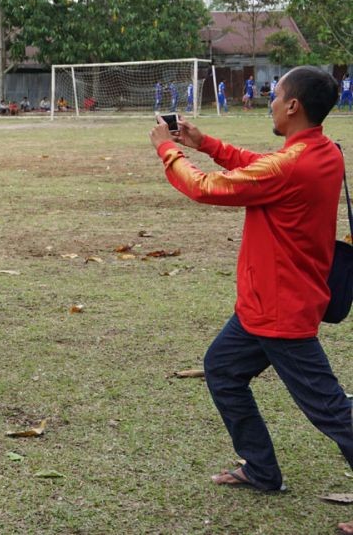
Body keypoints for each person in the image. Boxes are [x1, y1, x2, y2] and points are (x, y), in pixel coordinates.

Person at [149, 67, 353, 531]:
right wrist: (206, 142)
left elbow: (204, 188)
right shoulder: (323, 151)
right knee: (223, 369)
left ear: (293, 106)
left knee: (331, 412)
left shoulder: (290, 165)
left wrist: (168, 148)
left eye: (275, 95)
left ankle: (262, 469)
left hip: (281, 312)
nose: (270, 101)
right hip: (265, 304)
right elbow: (259, 165)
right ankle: (261, 469)